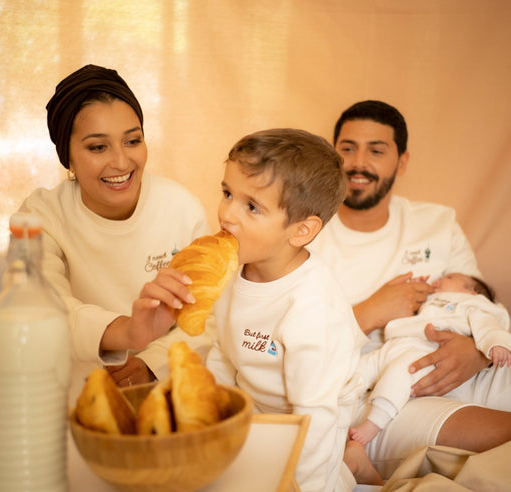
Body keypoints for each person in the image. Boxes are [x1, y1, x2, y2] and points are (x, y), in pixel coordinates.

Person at [309, 100, 511, 478]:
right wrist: (370, 311)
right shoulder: (307, 230)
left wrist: (476, 353)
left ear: (402, 162)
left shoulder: (437, 223)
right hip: (369, 393)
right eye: (347, 148)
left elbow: (478, 301)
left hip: (464, 370)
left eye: (376, 150)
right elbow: (281, 345)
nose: (358, 163)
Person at [17, 65, 211, 403]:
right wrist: (127, 331)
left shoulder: (180, 207)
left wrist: (151, 363)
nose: (121, 162)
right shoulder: (41, 216)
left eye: (132, 141)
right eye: (97, 147)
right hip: (71, 395)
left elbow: (208, 315)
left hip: (164, 392)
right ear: (68, 158)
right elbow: (37, 307)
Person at [205, 128, 373, 491]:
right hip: (253, 422)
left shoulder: (313, 307)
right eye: (227, 193)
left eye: (252, 206)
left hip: (307, 436)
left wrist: (300, 484)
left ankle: (343, 471)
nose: (227, 214)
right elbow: (223, 352)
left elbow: (314, 418)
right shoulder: (234, 270)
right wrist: (210, 422)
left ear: (300, 231)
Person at [350, 272, 511, 446]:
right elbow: (405, 306)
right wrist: (416, 287)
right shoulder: (431, 301)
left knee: (399, 375)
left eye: (449, 278)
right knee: (358, 368)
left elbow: (488, 326)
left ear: (473, 293)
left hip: (425, 351)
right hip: (396, 345)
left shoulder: (471, 305)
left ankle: (374, 423)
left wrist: (496, 344)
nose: (439, 279)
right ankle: (340, 394)